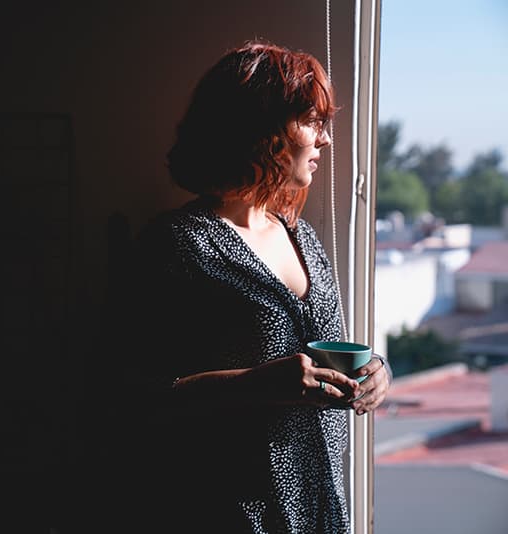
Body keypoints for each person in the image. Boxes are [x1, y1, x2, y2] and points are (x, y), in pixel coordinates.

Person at [96, 40, 392, 534]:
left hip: (321, 508)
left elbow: (326, 350)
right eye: (311, 121)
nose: (325, 141)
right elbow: (123, 396)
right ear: (262, 128)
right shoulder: (178, 245)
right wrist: (252, 385)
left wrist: (375, 370)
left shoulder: (301, 236)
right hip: (229, 512)